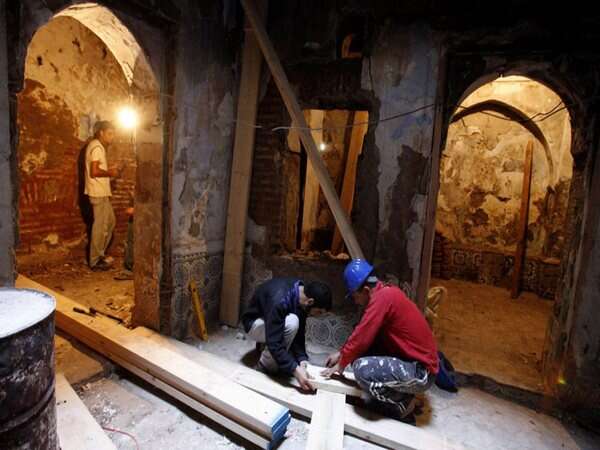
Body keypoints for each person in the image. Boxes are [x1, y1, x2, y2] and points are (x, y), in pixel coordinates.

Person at [321, 259, 439, 422]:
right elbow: (362, 332)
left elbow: (361, 337)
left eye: (355, 296)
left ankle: (403, 403)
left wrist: (341, 364)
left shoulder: (382, 299)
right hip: (415, 363)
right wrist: (342, 354)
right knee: (359, 354)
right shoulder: (386, 292)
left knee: (362, 369)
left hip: (422, 372)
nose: (356, 301)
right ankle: (401, 392)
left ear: (366, 290)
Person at [242, 278, 333, 391]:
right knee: (292, 323)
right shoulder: (280, 300)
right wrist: (295, 370)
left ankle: (264, 346)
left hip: (269, 319)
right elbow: (275, 343)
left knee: (293, 325)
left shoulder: (301, 293)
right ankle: (263, 366)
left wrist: (302, 360)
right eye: (319, 312)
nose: (317, 315)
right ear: (310, 302)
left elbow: (299, 334)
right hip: (253, 323)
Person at [84, 120, 120, 271]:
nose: (112, 137)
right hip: (98, 193)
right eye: (110, 134)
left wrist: (108, 171)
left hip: (101, 192)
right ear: (101, 133)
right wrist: (110, 173)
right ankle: (95, 261)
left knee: (110, 222)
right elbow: (94, 171)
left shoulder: (96, 146)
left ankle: (100, 255)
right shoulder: (97, 147)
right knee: (100, 226)